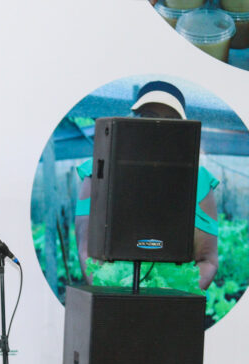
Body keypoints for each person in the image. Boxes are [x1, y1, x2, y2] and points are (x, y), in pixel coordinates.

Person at [74, 80, 220, 290]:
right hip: (114, 298)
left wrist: (171, 299)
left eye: (170, 120)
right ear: (135, 120)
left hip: (170, 303)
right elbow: (87, 250)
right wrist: (112, 295)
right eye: (149, 116)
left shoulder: (200, 182)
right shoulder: (98, 170)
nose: (157, 126)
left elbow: (207, 260)